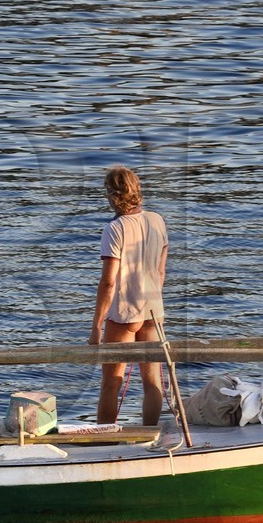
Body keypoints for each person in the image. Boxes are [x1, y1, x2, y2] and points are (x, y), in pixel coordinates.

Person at [88, 167, 169, 425]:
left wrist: (96, 326)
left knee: (111, 383)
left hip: (124, 313)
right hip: (154, 311)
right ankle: (150, 436)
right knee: (152, 381)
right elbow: (160, 271)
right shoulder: (157, 220)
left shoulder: (115, 228)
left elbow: (109, 282)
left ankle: (105, 443)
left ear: (111, 194)